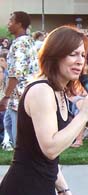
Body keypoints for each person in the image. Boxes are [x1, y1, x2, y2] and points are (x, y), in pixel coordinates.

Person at [0, 25, 88, 195]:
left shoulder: (59, 92)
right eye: (72, 54)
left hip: (43, 189)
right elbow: (50, 147)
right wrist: (84, 114)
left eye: (83, 55)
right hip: (24, 193)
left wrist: (62, 188)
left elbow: (46, 155)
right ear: (55, 55)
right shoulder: (42, 90)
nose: (79, 61)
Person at [0, 11, 39, 150]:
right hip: (25, 96)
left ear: (19, 24)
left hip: (19, 98)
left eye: (11, 21)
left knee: (19, 140)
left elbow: (15, 73)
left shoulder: (20, 44)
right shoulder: (28, 40)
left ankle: (25, 167)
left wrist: (6, 97)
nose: (8, 24)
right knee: (8, 125)